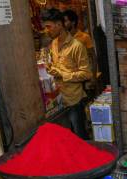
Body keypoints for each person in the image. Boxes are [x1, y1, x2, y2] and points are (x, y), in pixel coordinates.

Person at [42, 8, 91, 139]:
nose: (47, 30)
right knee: (66, 139)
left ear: (59, 24)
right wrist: (49, 68)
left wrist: (62, 74)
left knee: (80, 136)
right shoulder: (53, 44)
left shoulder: (77, 46)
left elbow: (86, 74)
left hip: (74, 99)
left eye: (49, 27)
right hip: (58, 100)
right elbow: (55, 67)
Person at [62, 9, 97, 95]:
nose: (63, 24)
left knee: (88, 101)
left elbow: (93, 56)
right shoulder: (63, 39)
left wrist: (94, 76)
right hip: (72, 80)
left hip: (85, 78)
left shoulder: (84, 37)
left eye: (66, 21)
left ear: (73, 22)